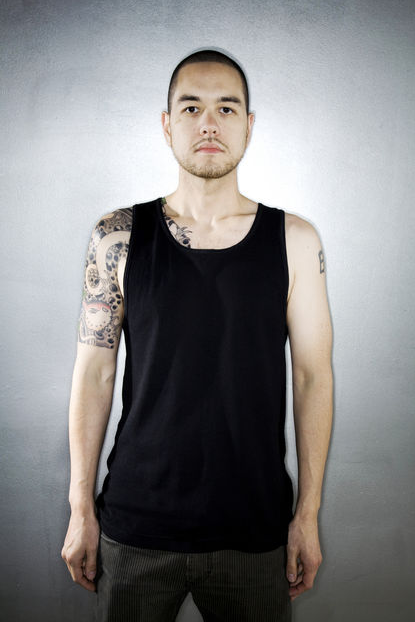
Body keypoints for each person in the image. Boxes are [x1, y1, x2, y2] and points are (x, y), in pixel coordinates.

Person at [61, 49, 333, 621]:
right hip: (136, 523)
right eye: (191, 108)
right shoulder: (117, 237)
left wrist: (307, 515)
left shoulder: (295, 240)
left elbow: (312, 377)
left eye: (226, 108)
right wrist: (80, 508)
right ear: (167, 124)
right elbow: (94, 375)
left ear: (248, 126)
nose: (209, 123)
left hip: (253, 528)